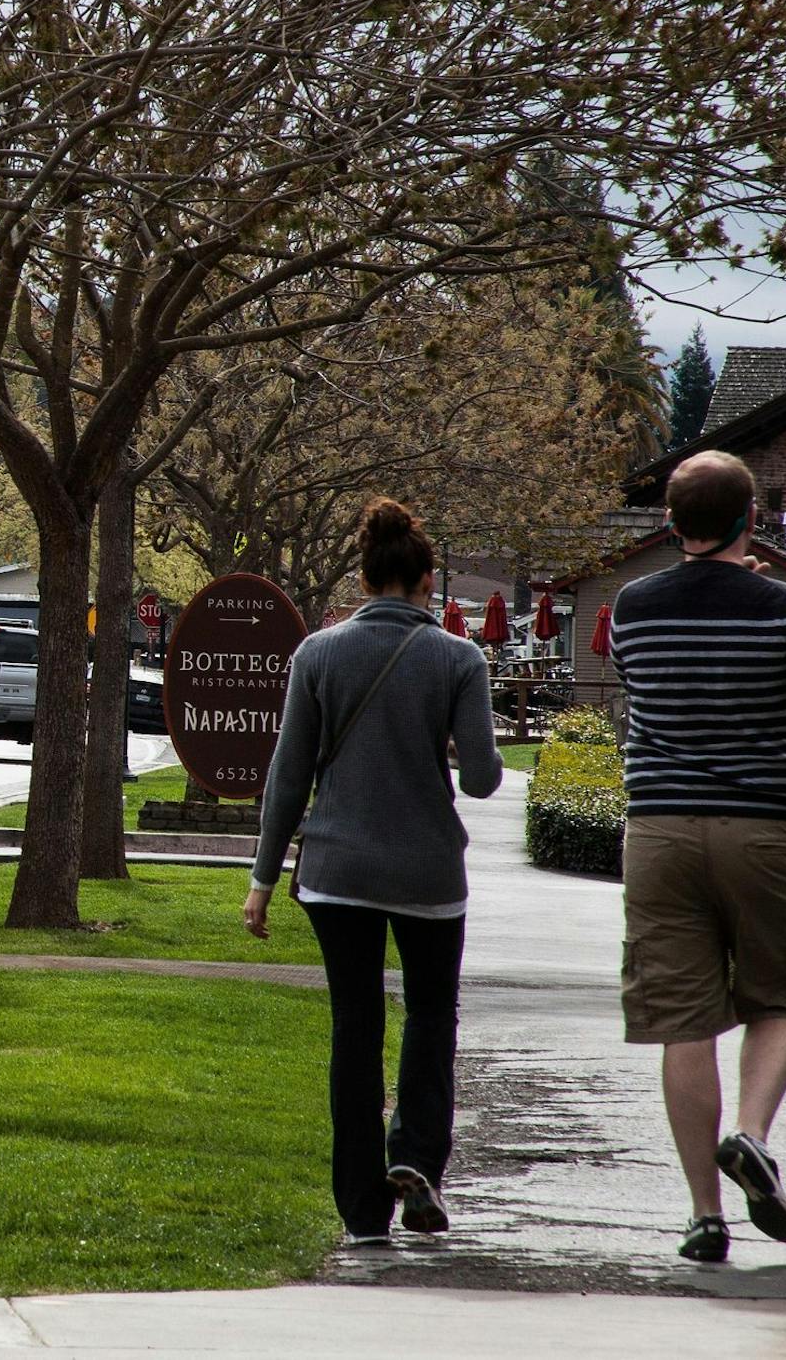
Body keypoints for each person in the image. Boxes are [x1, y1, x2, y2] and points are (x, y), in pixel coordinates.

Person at [610, 450, 786, 1263]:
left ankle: (703, 1215)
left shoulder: (632, 608)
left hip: (658, 830)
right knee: (782, 994)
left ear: (670, 523)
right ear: (750, 518)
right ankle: (751, 1132)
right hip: (761, 827)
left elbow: (648, 683)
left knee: (682, 1020)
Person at [245, 499, 503, 1246]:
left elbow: (288, 776)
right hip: (428, 873)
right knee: (430, 1015)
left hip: (337, 870)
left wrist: (263, 878)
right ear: (428, 580)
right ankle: (417, 1155)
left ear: (364, 575)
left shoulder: (317, 654)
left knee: (354, 1029)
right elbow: (485, 780)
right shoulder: (460, 659)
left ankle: (362, 1211)